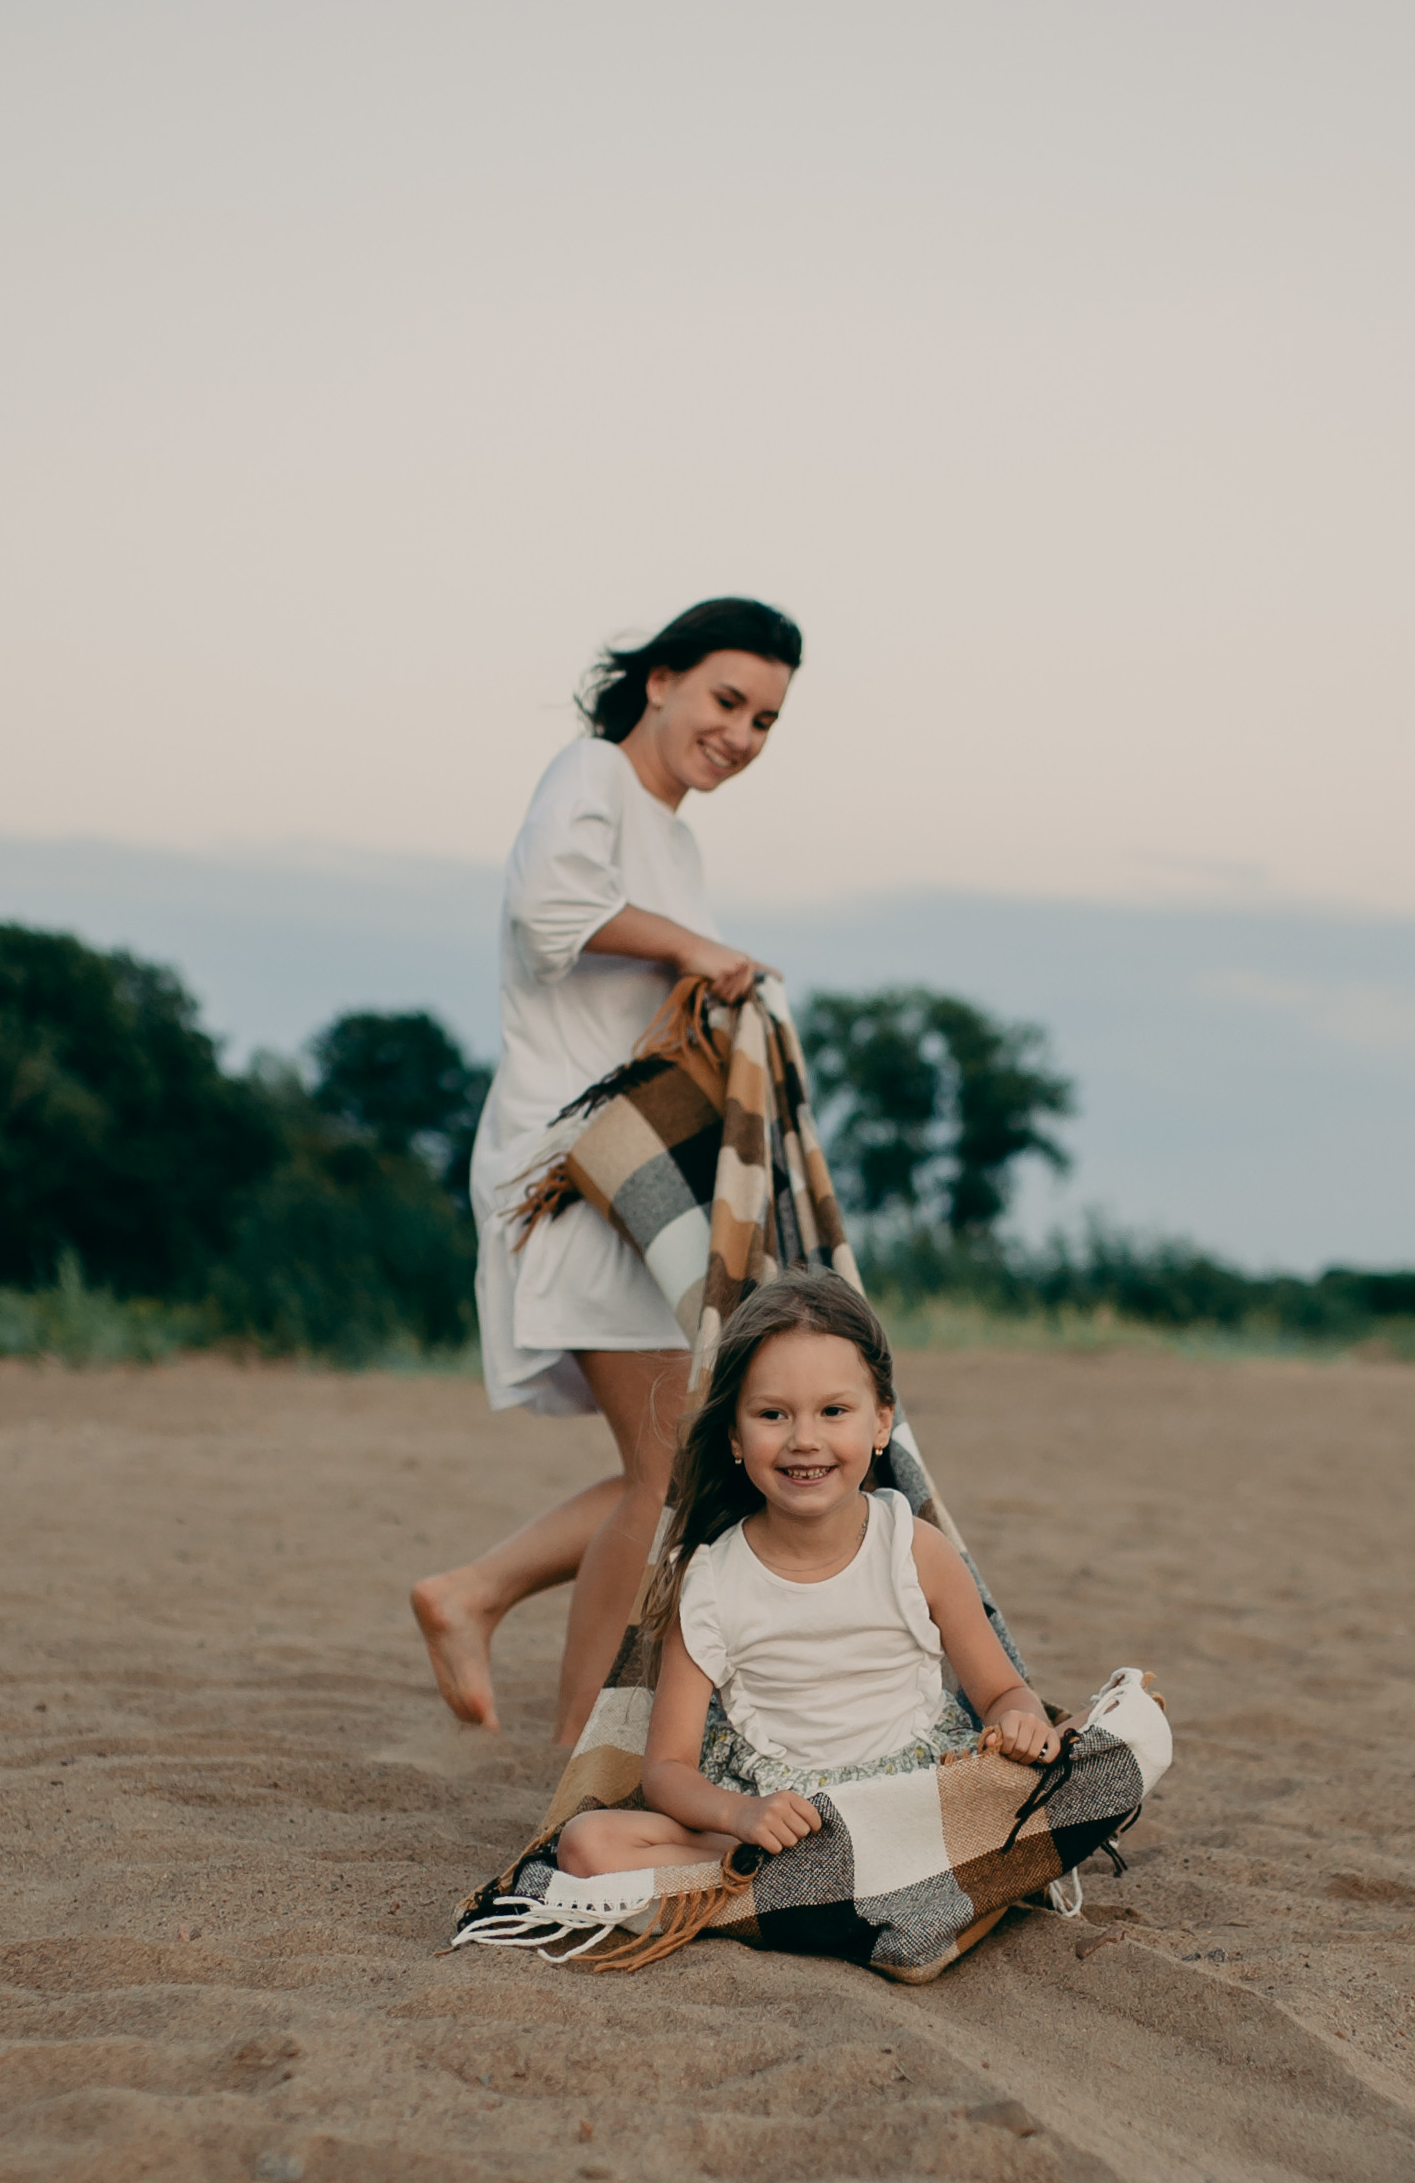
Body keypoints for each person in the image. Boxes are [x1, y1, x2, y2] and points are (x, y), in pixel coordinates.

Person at [412, 596, 800, 1748]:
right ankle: (577, 1745)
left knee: (684, 1459)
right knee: (676, 1459)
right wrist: (693, 947)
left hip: (639, 1169)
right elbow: (551, 914)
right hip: (569, 1163)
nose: (741, 734)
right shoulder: (589, 775)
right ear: (662, 680)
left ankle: (474, 1593)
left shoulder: (675, 837)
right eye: (727, 700)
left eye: (768, 720)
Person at [554, 1273, 1065, 1878]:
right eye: (772, 1414)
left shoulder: (915, 1550)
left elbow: (1003, 1691)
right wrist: (743, 1815)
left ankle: (813, 1889)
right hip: (787, 1827)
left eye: (833, 1411)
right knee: (587, 1845)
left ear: (880, 1425)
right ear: (735, 1437)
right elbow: (667, 1771)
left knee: (1102, 1739)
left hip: (916, 1800)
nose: (804, 1439)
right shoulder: (710, 1580)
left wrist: (1019, 1721)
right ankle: (828, 1884)